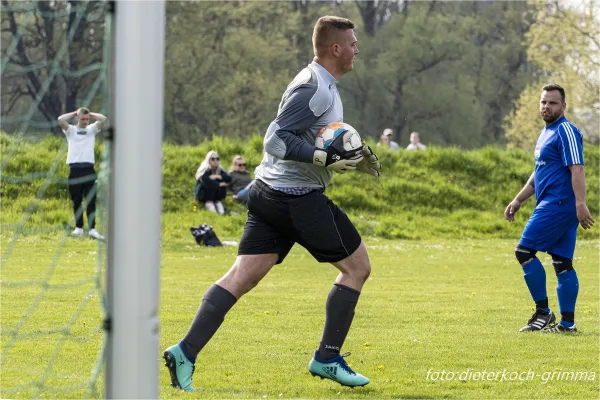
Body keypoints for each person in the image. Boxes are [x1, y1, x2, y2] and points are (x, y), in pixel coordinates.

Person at [163, 16, 381, 392]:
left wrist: (335, 155)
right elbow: (276, 140)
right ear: (335, 49)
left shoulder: (322, 84)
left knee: (241, 277)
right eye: (353, 43)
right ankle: (327, 357)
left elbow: (301, 138)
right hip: (294, 199)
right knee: (357, 268)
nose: (357, 49)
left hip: (268, 194)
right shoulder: (315, 88)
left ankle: (185, 351)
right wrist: (324, 159)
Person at [504, 84, 594, 333]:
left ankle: (543, 312)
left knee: (524, 252)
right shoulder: (546, 133)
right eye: (544, 102)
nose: (547, 106)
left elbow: (577, 168)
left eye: (553, 103)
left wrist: (580, 203)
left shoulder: (566, 130)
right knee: (562, 262)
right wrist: (519, 199)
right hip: (557, 204)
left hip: (558, 204)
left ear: (563, 106)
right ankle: (567, 324)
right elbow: (539, 172)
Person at [57, 107, 107, 240]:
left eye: (87, 119)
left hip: (89, 170)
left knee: (90, 200)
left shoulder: (91, 130)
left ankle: (92, 230)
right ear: (77, 119)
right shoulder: (71, 131)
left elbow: (103, 119)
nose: (85, 121)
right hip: (74, 170)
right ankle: (78, 228)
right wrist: (74, 113)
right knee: (76, 200)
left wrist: (90, 114)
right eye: (82, 119)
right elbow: (60, 119)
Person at [194, 150, 232, 215]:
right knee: (211, 184)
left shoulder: (220, 169)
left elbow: (229, 178)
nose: (215, 161)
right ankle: (209, 203)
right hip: (203, 194)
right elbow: (205, 181)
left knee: (219, 182)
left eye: (217, 159)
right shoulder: (204, 169)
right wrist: (219, 184)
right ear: (208, 160)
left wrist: (217, 176)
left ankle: (218, 202)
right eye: (213, 159)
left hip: (216, 195)